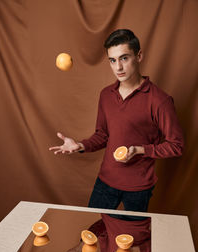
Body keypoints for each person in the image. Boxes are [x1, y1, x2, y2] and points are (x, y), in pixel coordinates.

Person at [49, 29, 184, 212]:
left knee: (132, 239)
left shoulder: (160, 100)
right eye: (112, 60)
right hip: (106, 181)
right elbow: (103, 135)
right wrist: (80, 145)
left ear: (139, 56)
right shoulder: (106, 95)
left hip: (139, 188)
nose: (118, 67)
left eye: (124, 58)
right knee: (92, 235)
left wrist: (140, 150)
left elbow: (176, 145)